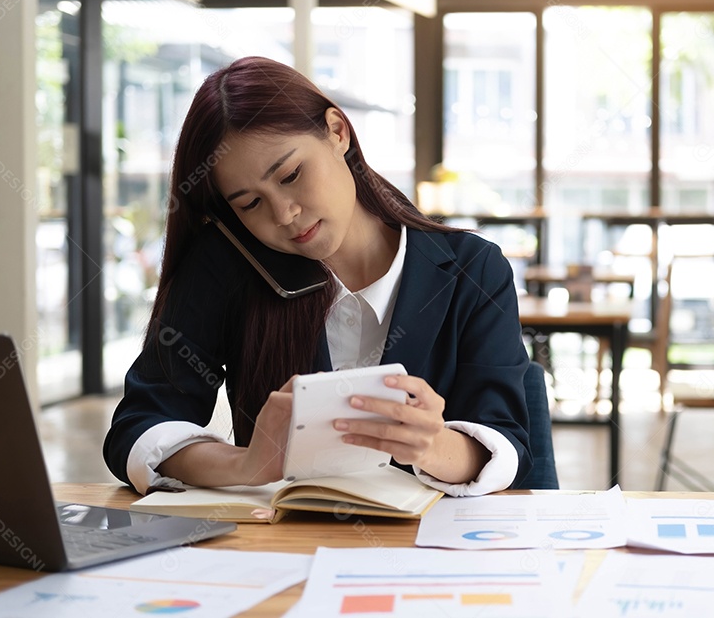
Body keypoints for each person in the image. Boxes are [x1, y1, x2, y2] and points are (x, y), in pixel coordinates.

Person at [103, 56, 532, 497]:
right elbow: (139, 428)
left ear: (337, 131)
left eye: (290, 175)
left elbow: (505, 444)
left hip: (430, 552)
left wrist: (433, 445)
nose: (284, 214)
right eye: (250, 203)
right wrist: (247, 464)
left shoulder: (472, 269)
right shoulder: (227, 268)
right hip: (282, 551)